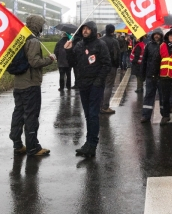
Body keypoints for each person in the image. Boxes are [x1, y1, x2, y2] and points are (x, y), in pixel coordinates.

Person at [9, 15, 56, 156]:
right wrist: (50, 59)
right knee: (31, 115)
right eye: (41, 25)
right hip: (31, 84)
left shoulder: (20, 38)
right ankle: (33, 147)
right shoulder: (33, 41)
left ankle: (17, 143)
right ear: (37, 25)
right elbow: (34, 62)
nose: (42, 27)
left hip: (18, 84)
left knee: (18, 113)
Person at [65, 20, 111, 157]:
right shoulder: (79, 45)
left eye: (88, 29)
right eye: (83, 29)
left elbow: (106, 64)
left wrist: (98, 81)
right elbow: (72, 62)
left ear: (93, 30)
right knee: (87, 114)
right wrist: (68, 51)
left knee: (93, 114)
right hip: (83, 85)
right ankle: (88, 143)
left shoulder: (100, 44)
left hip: (95, 86)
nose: (85, 31)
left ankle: (92, 144)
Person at [140, 29, 164, 123]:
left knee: (163, 96)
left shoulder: (165, 45)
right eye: (155, 34)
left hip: (162, 75)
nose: (156, 36)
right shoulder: (149, 45)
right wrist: (142, 74)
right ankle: (146, 115)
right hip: (150, 75)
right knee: (149, 95)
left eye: (158, 34)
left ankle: (164, 115)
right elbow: (144, 61)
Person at [100, 24, 121, 113]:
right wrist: (117, 65)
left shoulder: (100, 40)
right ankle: (105, 107)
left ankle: (99, 105)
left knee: (101, 86)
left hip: (101, 66)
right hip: (111, 66)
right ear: (113, 31)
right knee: (108, 86)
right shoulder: (114, 41)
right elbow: (117, 55)